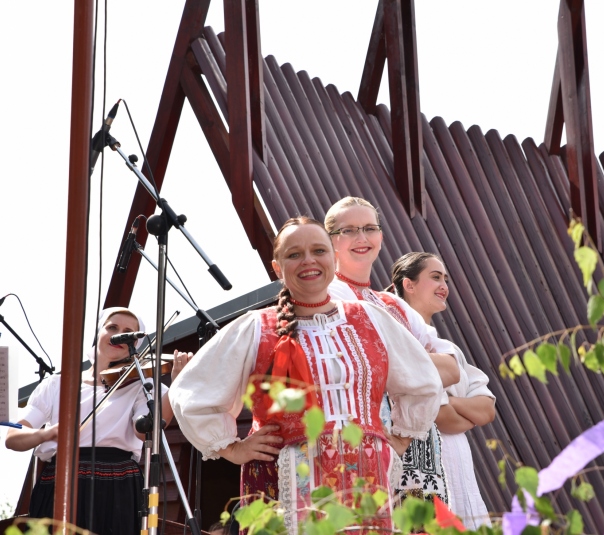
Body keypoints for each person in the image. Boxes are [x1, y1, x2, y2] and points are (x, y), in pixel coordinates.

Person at [168, 217, 443, 533]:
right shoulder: (256, 328)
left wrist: (401, 436)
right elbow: (191, 392)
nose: (308, 260)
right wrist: (232, 448)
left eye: (318, 250)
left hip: (369, 482)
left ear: (333, 258)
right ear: (277, 267)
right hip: (282, 483)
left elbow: (423, 380)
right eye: (294, 254)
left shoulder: (369, 318)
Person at [5, 307, 192, 535]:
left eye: (129, 332)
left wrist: (177, 385)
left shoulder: (142, 386)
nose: (119, 335)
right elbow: (14, 438)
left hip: (117, 483)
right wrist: (48, 433)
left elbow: (146, 432)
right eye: (112, 327)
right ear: (99, 332)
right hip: (61, 480)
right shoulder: (57, 384)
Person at [324, 196, 459, 505]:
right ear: (331, 241)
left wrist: (392, 359)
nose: (362, 238)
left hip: (419, 455)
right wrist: (411, 362)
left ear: (381, 238)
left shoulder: (392, 303)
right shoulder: (329, 297)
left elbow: (451, 370)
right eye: (349, 230)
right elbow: (357, 365)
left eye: (370, 228)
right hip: (369, 443)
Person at [390, 252, 496, 529]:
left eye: (445, 279)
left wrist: (448, 400)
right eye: (435, 277)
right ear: (409, 285)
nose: (444, 286)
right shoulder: (399, 340)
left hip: (460, 473)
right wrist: (459, 409)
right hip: (421, 476)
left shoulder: (450, 350)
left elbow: (486, 410)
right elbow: (446, 421)